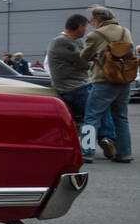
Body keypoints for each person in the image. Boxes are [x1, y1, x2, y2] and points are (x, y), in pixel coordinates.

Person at [47, 14, 114, 159]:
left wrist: (86, 62)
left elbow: (83, 62)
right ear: (79, 26)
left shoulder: (73, 41)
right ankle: (104, 140)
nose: (86, 31)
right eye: (85, 27)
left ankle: (104, 139)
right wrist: (89, 62)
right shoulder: (63, 41)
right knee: (95, 114)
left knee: (94, 113)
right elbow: (85, 62)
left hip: (77, 86)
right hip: (74, 88)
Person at [80, 5, 135, 163]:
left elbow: (84, 56)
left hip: (104, 80)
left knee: (91, 117)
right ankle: (124, 153)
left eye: (92, 21)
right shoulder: (126, 32)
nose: (92, 24)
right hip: (124, 80)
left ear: (97, 20)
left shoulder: (95, 35)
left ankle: (87, 152)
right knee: (121, 117)